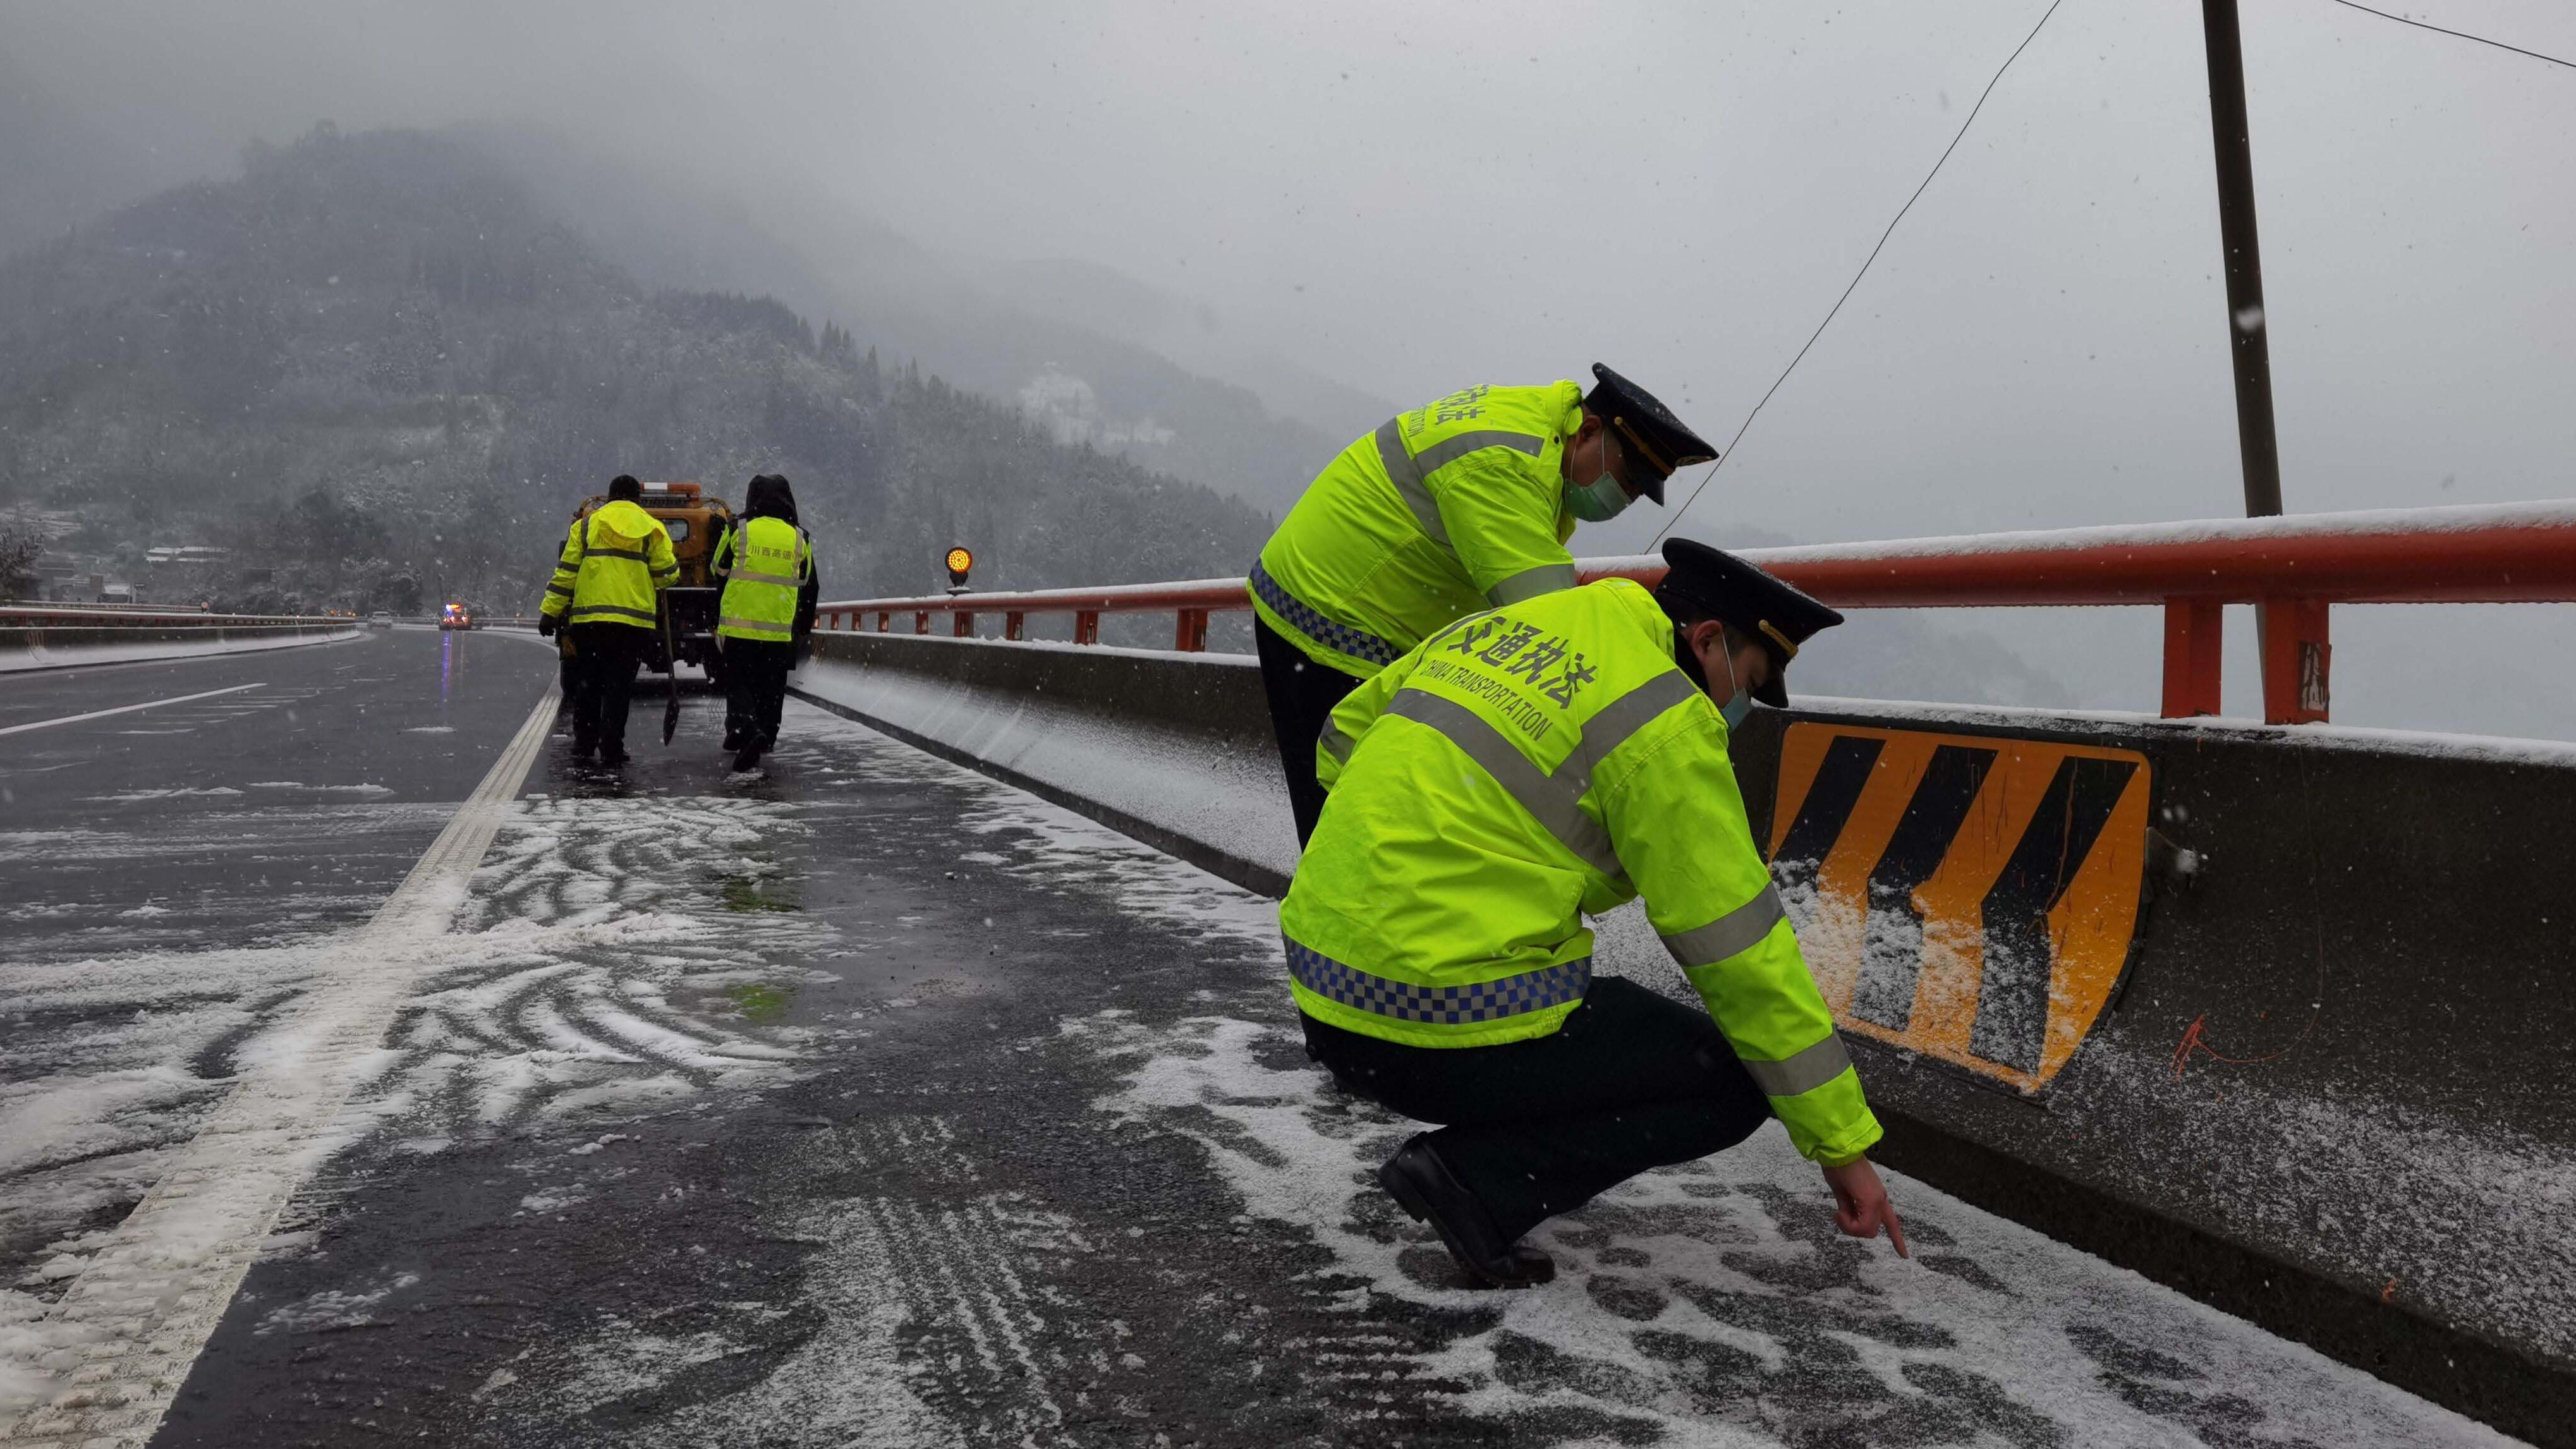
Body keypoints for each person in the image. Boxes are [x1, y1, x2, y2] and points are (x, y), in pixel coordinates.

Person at [1280, 538, 1904, 1288]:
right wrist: (1840, 1146)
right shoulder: (1663, 725)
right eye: (1747, 680)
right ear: (1707, 639)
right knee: (1734, 1077)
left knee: (1592, 1005)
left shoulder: (1518, 626)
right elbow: (1741, 955)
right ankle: (1473, 1181)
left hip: (1321, 988)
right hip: (1424, 1022)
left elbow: (1342, 737)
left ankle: (1477, 1142)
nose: (1736, 707)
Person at [1251, 365, 1716, 846]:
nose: (1626, 498)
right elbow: (1552, 626)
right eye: (1627, 479)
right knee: (1353, 827)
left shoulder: (1536, 436)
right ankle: (1334, 914)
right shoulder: (1506, 463)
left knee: (1361, 816)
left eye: (1639, 492)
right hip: (1333, 619)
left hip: (1320, 595)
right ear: (1590, 431)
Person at [537, 475, 677, 766]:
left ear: (610, 497)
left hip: (590, 621)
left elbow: (566, 575)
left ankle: (585, 744)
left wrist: (550, 611)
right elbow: (667, 576)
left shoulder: (586, 526)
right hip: (633, 625)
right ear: (637, 499)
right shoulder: (653, 530)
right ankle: (612, 746)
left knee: (589, 683)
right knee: (619, 687)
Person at [711, 473, 819, 772]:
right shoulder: (800, 537)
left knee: (739, 682)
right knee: (771, 686)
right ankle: (767, 735)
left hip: (739, 626)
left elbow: (718, 568)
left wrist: (717, 611)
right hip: (779, 629)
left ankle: (745, 729)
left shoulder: (738, 529)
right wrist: (804, 627)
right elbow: (809, 584)